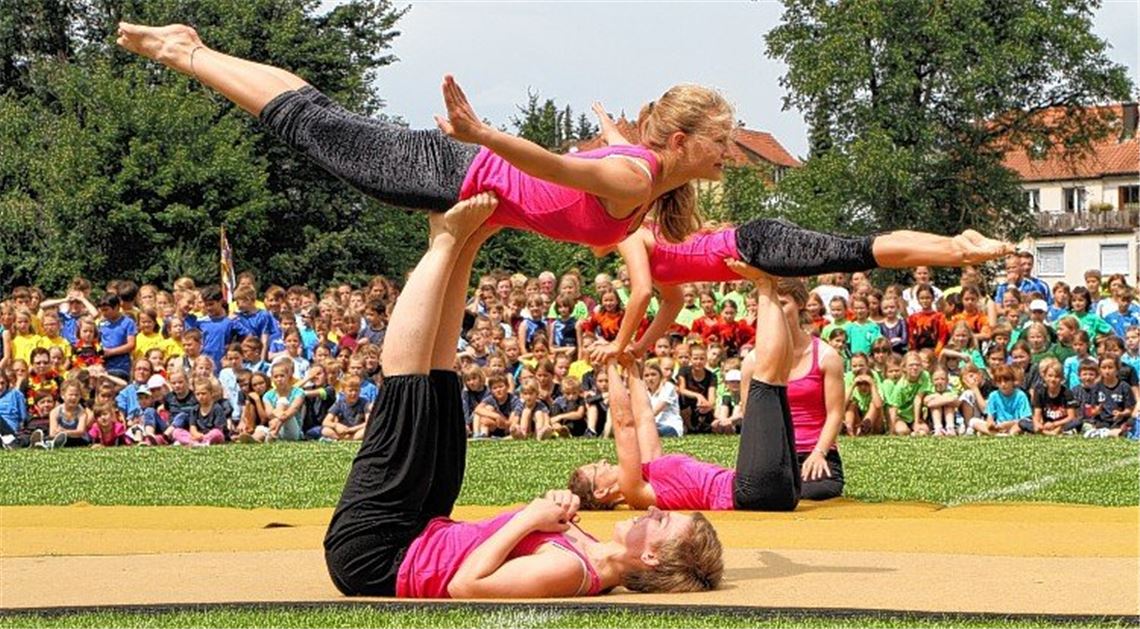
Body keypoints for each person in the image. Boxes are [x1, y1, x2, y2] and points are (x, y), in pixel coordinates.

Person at [323, 193, 722, 597]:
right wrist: (548, 513)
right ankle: (465, 241)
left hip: (378, 553)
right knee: (442, 385)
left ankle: (447, 240)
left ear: (652, 558)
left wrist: (532, 516)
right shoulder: (586, 556)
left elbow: (467, 586)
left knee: (408, 394)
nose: (654, 510)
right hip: (423, 531)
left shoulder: (571, 571)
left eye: (662, 522)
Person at [569, 262, 816, 512]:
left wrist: (631, 368)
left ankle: (768, 286)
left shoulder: (649, 469)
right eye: (596, 468)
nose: (602, 460)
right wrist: (610, 363)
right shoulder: (635, 491)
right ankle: (764, 284)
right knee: (765, 381)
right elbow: (624, 424)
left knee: (777, 378)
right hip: (752, 491)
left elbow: (643, 419)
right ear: (601, 492)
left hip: (777, 490)